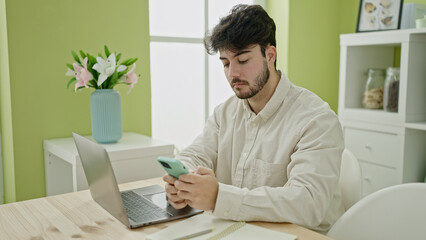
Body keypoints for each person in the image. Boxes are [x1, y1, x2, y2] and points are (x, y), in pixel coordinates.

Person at [162, 4, 344, 233]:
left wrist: (219, 197)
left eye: (243, 60)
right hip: (242, 231)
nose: (232, 74)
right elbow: (196, 154)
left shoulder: (316, 120)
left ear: (270, 55)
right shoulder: (225, 113)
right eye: (226, 63)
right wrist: (182, 183)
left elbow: (308, 203)